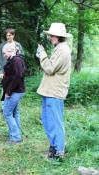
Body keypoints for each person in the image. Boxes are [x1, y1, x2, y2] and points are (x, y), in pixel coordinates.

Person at [35, 23, 71, 160]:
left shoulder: (62, 50)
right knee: (47, 120)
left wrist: (42, 55)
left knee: (55, 121)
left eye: (51, 35)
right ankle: (54, 147)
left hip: (55, 92)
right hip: (49, 91)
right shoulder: (59, 48)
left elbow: (49, 69)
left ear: (59, 36)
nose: (50, 37)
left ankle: (58, 151)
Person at [1, 47, 26, 144]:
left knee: (7, 112)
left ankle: (15, 138)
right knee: (15, 112)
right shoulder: (13, 60)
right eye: (3, 53)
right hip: (16, 90)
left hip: (15, 91)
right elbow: (12, 75)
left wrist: (8, 91)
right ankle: (16, 134)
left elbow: (18, 76)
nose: (4, 55)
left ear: (12, 51)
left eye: (5, 53)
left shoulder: (16, 60)